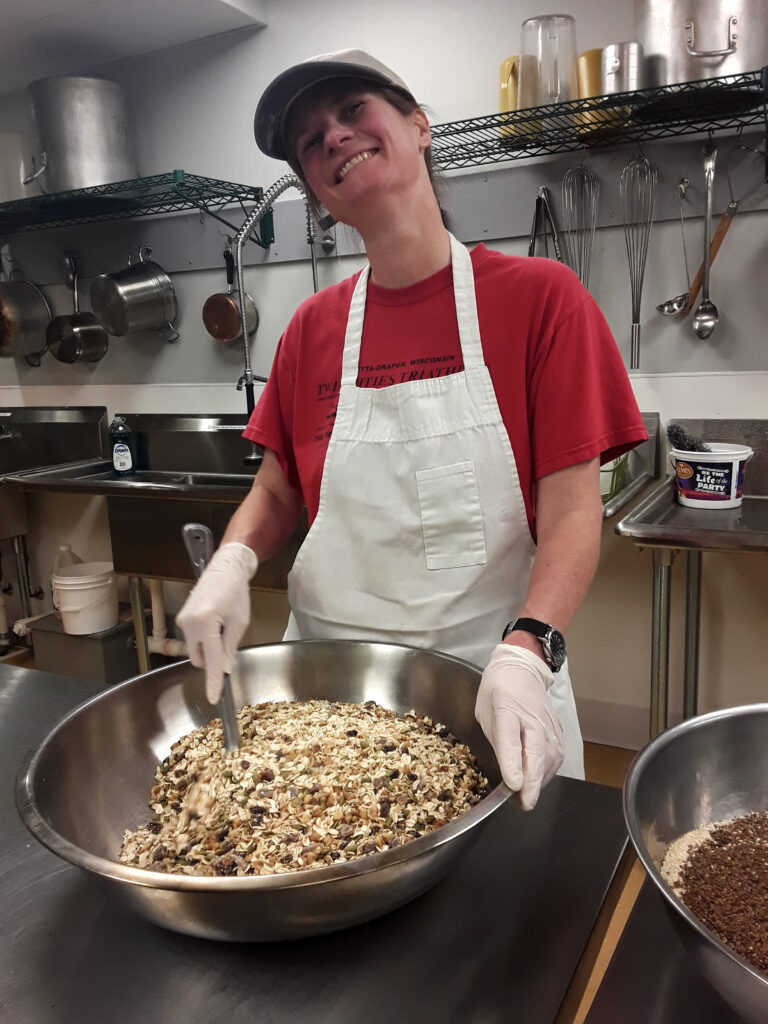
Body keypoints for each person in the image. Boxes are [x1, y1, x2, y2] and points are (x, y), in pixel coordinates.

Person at [177, 49, 647, 810]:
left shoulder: (539, 300)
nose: (332, 135)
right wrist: (229, 565)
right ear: (317, 198)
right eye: (309, 139)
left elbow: (570, 513)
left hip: (488, 690)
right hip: (323, 703)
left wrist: (529, 652)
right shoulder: (310, 329)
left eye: (353, 109)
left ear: (420, 126)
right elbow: (277, 488)